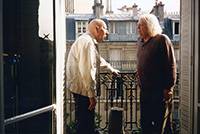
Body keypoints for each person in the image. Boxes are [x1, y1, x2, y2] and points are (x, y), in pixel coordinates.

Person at [66, 19, 119, 134]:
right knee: (85, 126)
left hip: (81, 89)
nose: (107, 32)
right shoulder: (88, 43)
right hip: (83, 91)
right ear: (97, 29)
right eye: (105, 29)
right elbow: (87, 71)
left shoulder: (87, 40)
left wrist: (111, 69)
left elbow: (98, 61)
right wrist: (91, 96)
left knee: (84, 123)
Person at [136, 14, 176, 134]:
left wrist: (169, 88)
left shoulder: (161, 40)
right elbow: (145, 59)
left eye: (141, 26)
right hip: (144, 91)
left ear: (150, 26)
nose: (138, 28)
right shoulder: (140, 41)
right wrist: (140, 69)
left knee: (161, 125)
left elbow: (171, 65)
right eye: (137, 25)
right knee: (145, 123)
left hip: (158, 92)